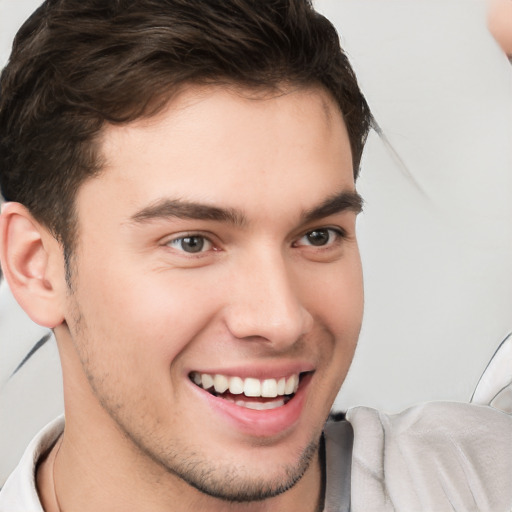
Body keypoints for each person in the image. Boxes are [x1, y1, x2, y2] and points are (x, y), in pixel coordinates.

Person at [0, 1, 511, 511]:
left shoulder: (483, 480)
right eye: (192, 242)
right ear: (35, 266)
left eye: (317, 236)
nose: (282, 319)